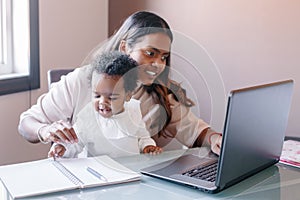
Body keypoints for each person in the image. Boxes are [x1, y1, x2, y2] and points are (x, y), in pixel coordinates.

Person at [18, 11, 222, 155]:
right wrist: (44, 131)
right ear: (125, 47)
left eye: (163, 57)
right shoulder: (81, 80)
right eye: (150, 53)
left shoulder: (160, 94)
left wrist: (214, 139)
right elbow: (26, 124)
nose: (158, 65)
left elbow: (196, 131)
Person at [48, 51, 162, 158]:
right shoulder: (88, 116)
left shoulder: (133, 110)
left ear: (128, 95)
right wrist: (61, 148)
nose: (102, 102)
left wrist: (147, 146)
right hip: (98, 173)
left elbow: (142, 136)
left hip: (130, 171)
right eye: (97, 96)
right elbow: (74, 143)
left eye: (111, 97)